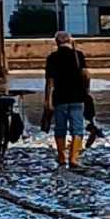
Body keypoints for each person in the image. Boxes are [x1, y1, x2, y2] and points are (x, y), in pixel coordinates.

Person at [44, 31, 89, 168]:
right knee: (78, 129)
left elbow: (50, 82)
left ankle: (62, 157)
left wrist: (47, 100)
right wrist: (86, 91)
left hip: (60, 98)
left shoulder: (52, 58)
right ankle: (74, 158)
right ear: (69, 41)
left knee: (60, 128)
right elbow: (86, 75)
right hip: (77, 96)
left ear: (57, 42)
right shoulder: (78, 55)